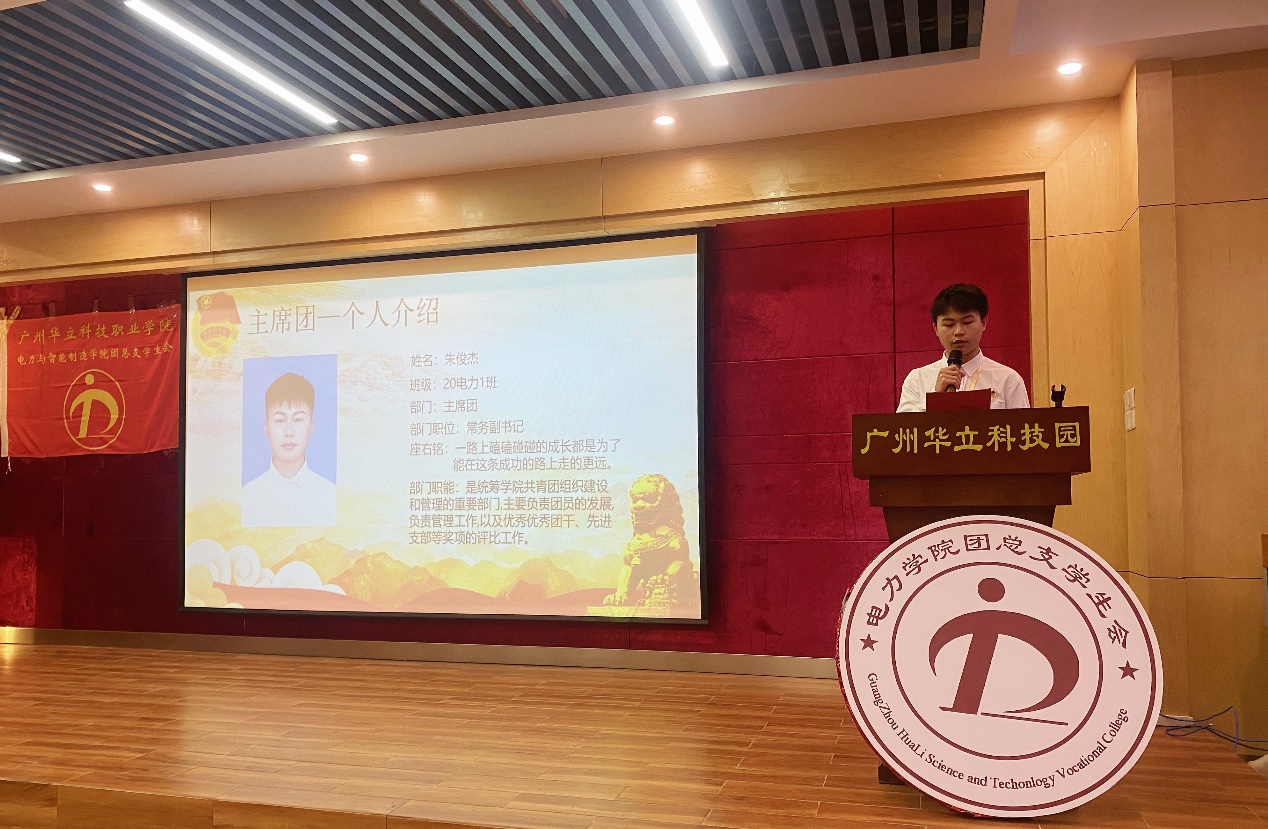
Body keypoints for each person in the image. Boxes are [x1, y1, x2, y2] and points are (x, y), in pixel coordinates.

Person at [897, 283, 1029, 413]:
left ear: (984, 322)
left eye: (967, 322)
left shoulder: (1007, 379)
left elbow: (1023, 425)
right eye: (949, 324)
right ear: (936, 329)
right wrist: (935, 396)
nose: (958, 331)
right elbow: (902, 426)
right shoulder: (917, 379)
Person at [240, 372, 336, 527]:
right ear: (266, 428)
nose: (289, 431)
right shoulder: (245, 497)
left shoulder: (331, 496)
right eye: (280, 420)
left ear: (311, 427)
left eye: (298, 419)